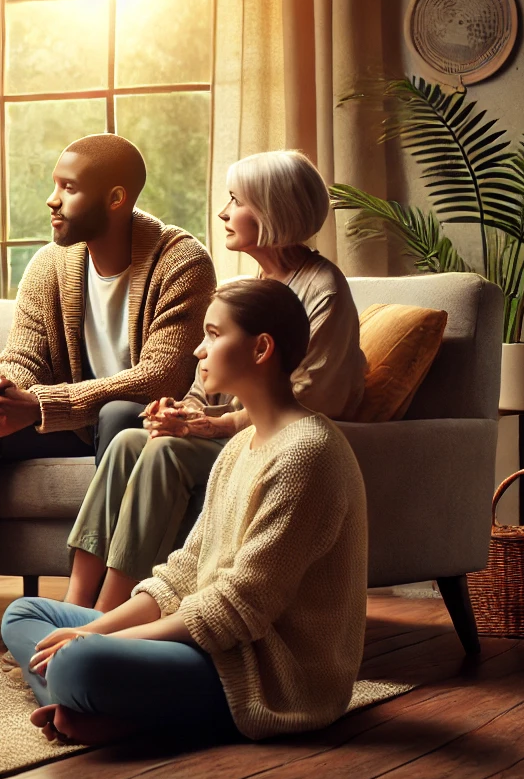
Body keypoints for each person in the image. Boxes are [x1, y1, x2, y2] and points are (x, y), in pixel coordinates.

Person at [0, 133, 216, 655]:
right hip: (66, 424)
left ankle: (108, 606)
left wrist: (43, 405)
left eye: (68, 187)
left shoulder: (182, 262)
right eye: (53, 185)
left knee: (120, 412)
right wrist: (5, 386)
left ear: (115, 199)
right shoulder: (50, 265)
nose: (51, 199)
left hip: (128, 425)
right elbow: (25, 354)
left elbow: (162, 378)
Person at [1, 278, 367, 746]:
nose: (198, 350)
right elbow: (183, 574)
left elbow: (238, 611)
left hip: (262, 672)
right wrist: (93, 628)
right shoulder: (238, 447)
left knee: (78, 663)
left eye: (214, 335)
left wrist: (98, 645)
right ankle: (107, 710)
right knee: (23, 613)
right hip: (211, 643)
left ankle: (117, 710)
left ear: (261, 349)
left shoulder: (306, 455)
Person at [65, 150, 367, 610]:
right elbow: (207, 380)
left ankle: (104, 616)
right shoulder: (251, 285)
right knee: (129, 441)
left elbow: (308, 396)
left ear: (271, 210)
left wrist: (215, 425)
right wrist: (184, 409)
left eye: (236, 201)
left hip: (268, 444)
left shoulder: (322, 289)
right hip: (230, 434)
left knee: (166, 452)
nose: (224, 212)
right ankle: (72, 604)